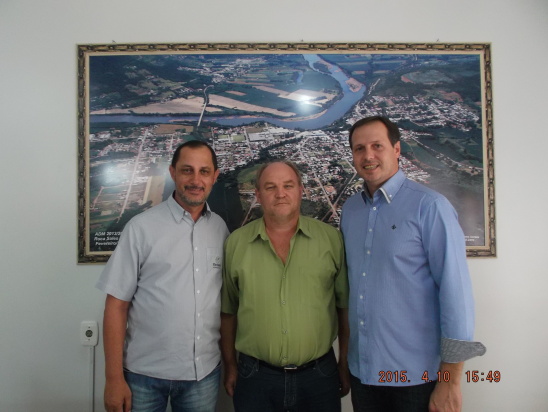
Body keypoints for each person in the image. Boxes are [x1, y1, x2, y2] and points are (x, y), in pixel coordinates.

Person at [340, 116, 486, 412]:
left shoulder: (430, 207)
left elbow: (456, 296)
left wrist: (450, 381)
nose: (368, 156)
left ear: (396, 149)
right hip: (363, 373)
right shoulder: (351, 210)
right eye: (359, 148)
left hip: (416, 378)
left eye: (377, 146)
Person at [96, 140, 229, 412]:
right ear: (172, 173)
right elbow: (116, 306)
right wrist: (113, 379)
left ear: (215, 176)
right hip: (143, 376)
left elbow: (226, 305)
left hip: (203, 375)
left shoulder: (220, 229)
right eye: (187, 170)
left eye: (204, 171)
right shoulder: (141, 228)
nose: (196, 180)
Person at [220, 160, 350, 412]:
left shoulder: (331, 240)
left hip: (319, 377)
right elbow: (228, 311)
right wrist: (230, 365)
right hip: (255, 378)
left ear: (301, 190)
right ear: (258, 195)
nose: (280, 194)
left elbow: (343, 308)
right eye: (270, 187)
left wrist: (343, 363)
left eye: (288, 185)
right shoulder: (236, 243)